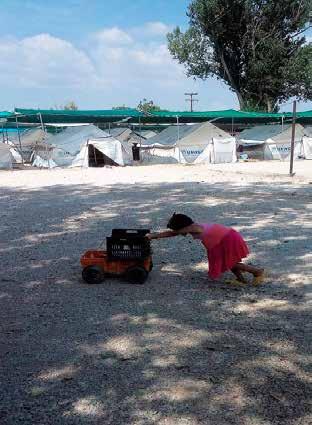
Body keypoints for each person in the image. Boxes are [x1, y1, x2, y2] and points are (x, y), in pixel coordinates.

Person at [146, 213, 264, 285]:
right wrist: (155, 236)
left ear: (184, 226)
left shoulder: (194, 228)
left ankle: (256, 271)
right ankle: (241, 280)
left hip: (226, 240)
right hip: (223, 239)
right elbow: (173, 232)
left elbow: (172, 233)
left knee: (230, 263)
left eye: (179, 230)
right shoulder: (193, 226)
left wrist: (154, 236)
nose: (179, 233)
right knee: (229, 262)